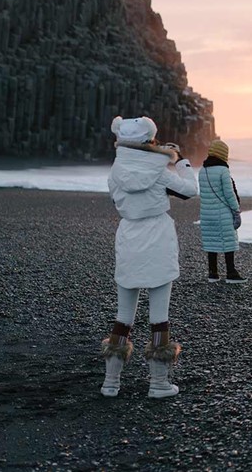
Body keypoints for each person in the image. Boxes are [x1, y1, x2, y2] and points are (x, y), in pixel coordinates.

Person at [102, 116, 198, 399]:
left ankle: (111, 382)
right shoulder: (159, 172)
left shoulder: (114, 171)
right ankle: (158, 383)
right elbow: (191, 191)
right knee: (159, 316)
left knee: (123, 316)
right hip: (157, 236)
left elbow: (116, 200)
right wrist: (180, 161)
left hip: (129, 234)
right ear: (150, 141)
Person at [199, 138, 245, 283]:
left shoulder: (202, 170)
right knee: (227, 241)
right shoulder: (223, 170)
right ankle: (231, 273)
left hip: (206, 213)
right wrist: (236, 211)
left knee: (211, 241)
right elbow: (229, 193)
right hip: (222, 212)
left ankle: (213, 273)